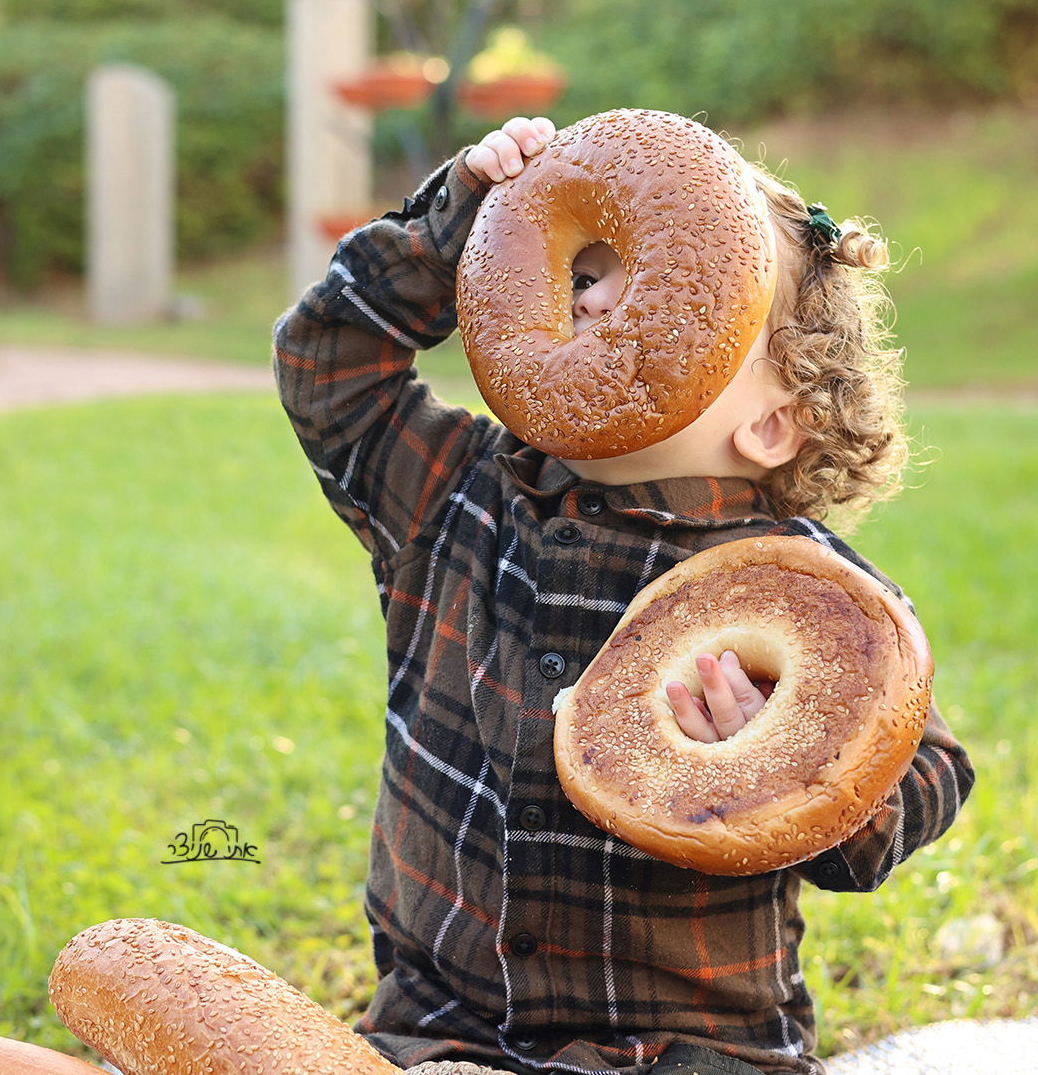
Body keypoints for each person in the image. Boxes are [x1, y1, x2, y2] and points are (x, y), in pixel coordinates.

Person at [273, 115, 974, 1075]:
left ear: (778, 423)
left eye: (657, 287)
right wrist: (455, 228)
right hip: (438, 1027)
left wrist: (793, 759)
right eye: (584, 271)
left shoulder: (805, 591)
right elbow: (327, 367)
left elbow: (930, 772)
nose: (597, 297)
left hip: (687, 1046)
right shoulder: (453, 496)